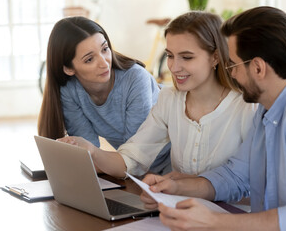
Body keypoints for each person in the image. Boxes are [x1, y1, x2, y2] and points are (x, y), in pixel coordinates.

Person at [140, 6, 286, 230]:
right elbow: (236, 176)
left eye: (233, 64)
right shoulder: (268, 108)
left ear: (258, 68)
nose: (230, 73)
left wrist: (215, 222)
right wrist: (178, 187)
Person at [58, 11, 256, 178]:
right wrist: (91, 150)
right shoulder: (169, 99)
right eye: (170, 55)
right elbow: (131, 158)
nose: (173, 67)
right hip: (180, 212)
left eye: (186, 57)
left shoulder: (247, 106)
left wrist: (187, 186)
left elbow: (251, 181)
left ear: (215, 57)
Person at [38, 16, 170, 174]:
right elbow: (87, 152)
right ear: (68, 69)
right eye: (89, 59)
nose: (104, 63)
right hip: (131, 170)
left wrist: (88, 159)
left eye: (105, 49)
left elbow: (134, 156)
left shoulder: (135, 79)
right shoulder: (69, 91)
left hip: (173, 163)